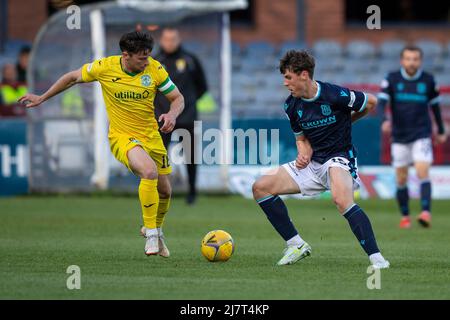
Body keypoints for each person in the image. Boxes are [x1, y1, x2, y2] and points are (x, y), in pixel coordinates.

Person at [19, 31, 185, 257]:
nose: (146, 61)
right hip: (122, 135)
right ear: (126, 55)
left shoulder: (155, 69)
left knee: (165, 192)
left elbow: (177, 98)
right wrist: (41, 97)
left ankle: (156, 228)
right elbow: (72, 77)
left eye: (148, 56)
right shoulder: (105, 67)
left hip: (151, 136)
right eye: (141, 58)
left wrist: (172, 115)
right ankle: (152, 235)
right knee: (148, 171)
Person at [252, 50, 390, 268]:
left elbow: (371, 103)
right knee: (261, 187)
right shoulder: (291, 106)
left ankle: (377, 259)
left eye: (288, 77)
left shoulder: (335, 95)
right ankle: (296, 244)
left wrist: (349, 121)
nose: (285, 83)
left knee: (342, 201)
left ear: (304, 75)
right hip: (314, 162)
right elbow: (301, 139)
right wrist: (302, 152)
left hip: (339, 158)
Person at [377, 45, 446, 229]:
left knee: (423, 171)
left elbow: (436, 107)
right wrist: (384, 120)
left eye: (415, 59)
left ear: (420, 61)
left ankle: (425, 212)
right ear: (402, 60)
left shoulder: (428, 80)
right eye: (408, 58)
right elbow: (382, 103)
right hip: (399, 136)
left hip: (421, 133)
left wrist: (440, 130)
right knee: (401, 178)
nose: (412, 62)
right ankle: (405, 216)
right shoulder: (392, 78)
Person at [154, 27, 214, 205]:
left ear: (178, 40)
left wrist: (188, 102)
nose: (170, 43)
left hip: (187, 116)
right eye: (167, 39)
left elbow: (202, 86)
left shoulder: (190, 60)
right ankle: (158, 191)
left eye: (173, 39)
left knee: (191, 156)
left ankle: (192, 192)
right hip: (161, 117)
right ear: (161, 40)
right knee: (157, 155)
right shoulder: (155, 61)